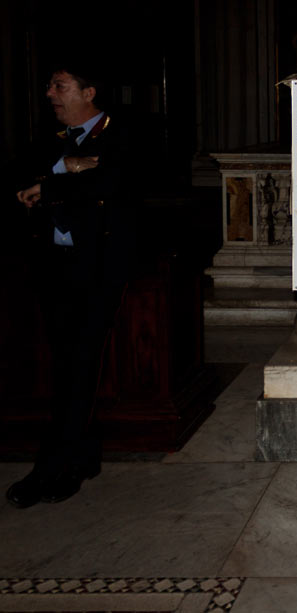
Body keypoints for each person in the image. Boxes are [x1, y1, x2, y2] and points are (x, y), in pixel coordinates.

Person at [6, 61, 135, 508]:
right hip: (52, 266)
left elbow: (111, 182)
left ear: (89, 91)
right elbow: (22, 175)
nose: (50, 94)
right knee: (68, 365)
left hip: (97, 268)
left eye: (60, 86)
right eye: (49, 85)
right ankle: (82, 455)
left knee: (79, 364)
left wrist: (52, 186)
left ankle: (52, 467)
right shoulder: (54, 142)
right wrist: (65, 167)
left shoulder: (121, 134)